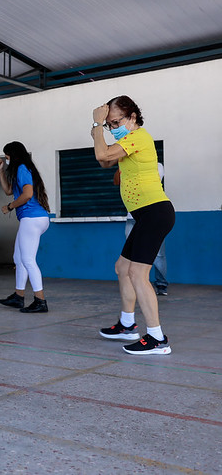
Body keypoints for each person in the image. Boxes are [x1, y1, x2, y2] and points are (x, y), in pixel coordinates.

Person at [93, 96, 174, 355]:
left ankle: (157, 338)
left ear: (132, 117)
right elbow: (104, 161)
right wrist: (100, 130)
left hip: (155, 213)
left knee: (138, 274)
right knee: (122, 267)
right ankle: (127, 325)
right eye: (109, 124)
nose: (112, 127)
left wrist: (95, 127)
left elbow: (102, 153)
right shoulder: (126, 142)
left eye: (115, 122)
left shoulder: (139, 137)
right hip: (146, 215)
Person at [0, 141, 50, 313]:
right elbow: (8, 190)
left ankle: (40, 301)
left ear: (13, 155)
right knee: (18, 258)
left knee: (27, 260)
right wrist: (0, 171)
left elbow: (27, 195)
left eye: (7, 156)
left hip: (32, 219)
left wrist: (10, 206)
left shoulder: (22, 168)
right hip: (33, 219)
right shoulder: (22, 170)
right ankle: (18, 297)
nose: (7, 159)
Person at [114, 164, 169, 295]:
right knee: (130, 254)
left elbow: (146, 182)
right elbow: (117, 181)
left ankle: (161, 284)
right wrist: (121, 165)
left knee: (158, 254)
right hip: (132, 217)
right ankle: (136, 283)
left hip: (152, 216)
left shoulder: (157, 166)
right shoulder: (126, 165)